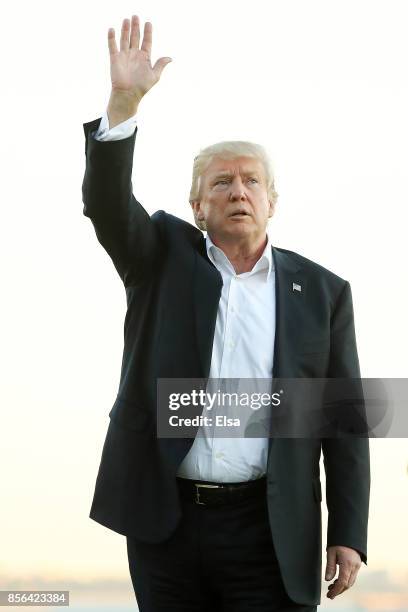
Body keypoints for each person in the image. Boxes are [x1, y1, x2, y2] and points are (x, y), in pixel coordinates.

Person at [81, 14, 370, 612]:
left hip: (270, 529)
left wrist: (348, 532)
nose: (238, 191)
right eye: (221, 183)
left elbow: (342, 425)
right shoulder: (160, 257)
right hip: (168, 522)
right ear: (197, 206)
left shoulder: (322, 292)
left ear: (272, 201)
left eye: (250, 182)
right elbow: (107, 206)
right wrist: (122, 104)